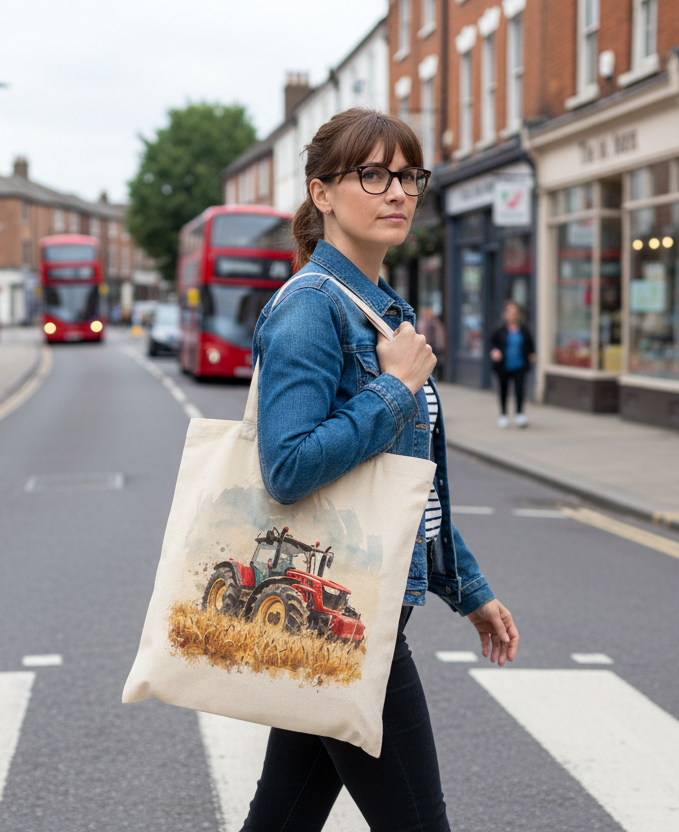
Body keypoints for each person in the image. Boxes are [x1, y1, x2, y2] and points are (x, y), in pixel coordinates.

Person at [246, 108, 519, 832]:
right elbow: (288, 466)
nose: (397, 191)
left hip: (357, 601)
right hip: (346, 617)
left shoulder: (382, 314)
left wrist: (469, 587)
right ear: (323, 193)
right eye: (372, 174)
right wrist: (393, 391)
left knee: (282, 819)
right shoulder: (311, 311)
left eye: (408, 175)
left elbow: (406, 485)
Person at [488, 300, 536, 428]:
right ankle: (503, 415)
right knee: (503, 390)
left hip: (520, 364)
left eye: (515, 312)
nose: (512, 315)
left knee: (520, 389)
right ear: (505, 314)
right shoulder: (499, 328)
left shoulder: (524, 329)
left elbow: (530, 344)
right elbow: (491, 343)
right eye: (510, 312)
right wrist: (494, 351)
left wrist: (532, 354)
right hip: (503, 365)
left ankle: (520, 414)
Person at [415, 305, 446, 376]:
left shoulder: (436, 323)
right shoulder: (422, 322)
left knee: (436, 362)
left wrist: (440, 345)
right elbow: (421, 332)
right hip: (425, 345)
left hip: (434, 346)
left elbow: (439, 335)